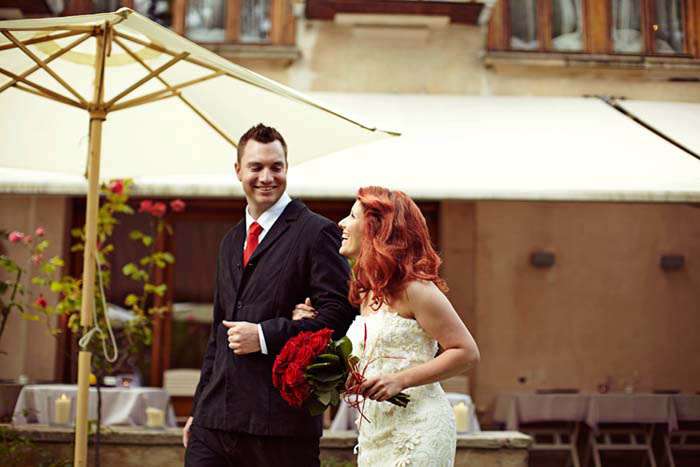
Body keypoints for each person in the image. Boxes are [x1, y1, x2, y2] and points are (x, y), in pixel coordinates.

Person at [183, 124, 356, 467]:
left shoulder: (317, 232)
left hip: (280, 427)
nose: (266, 177)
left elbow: (340, 316)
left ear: (287, 168)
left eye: (276, 167)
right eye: (256, 167)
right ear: (238, 171)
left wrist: (263, 336)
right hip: (214, 423)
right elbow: (217, 335)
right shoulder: (230, 241)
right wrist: (198, 409)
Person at [293, 186, 480, 466]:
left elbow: (466, 352)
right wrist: (309, 324)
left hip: (418, 428)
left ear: (378, 228)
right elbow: (366, 361)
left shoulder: (416, 289)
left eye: (352, 216)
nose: (341, 223)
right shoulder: (367, 292)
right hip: (374, 433)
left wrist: (400, 380)